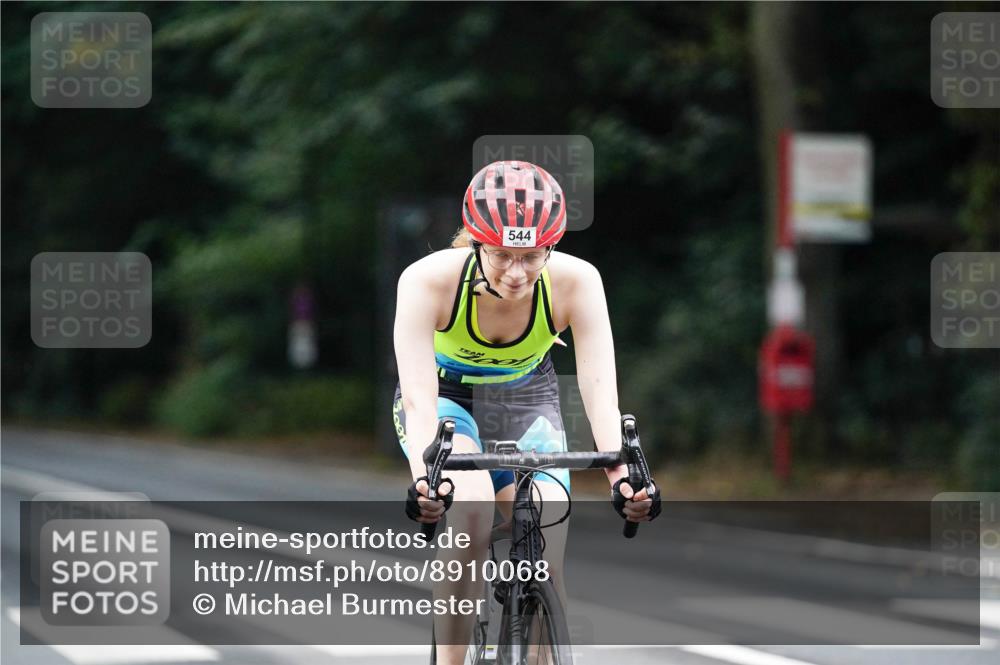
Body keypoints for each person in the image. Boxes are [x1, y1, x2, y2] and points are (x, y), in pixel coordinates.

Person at [393, 160, 660, 663]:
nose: (517, 272)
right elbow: (417, 399)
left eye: (532, 256)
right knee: (469, 512)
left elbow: (600, 392)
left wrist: (622, 475)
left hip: (526, 399)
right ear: (475, 242)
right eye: (500, 256)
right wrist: (427, 479)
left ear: (551, 247)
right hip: (448, 402)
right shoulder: (427, 281)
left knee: (548, 539)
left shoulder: (578, 282)